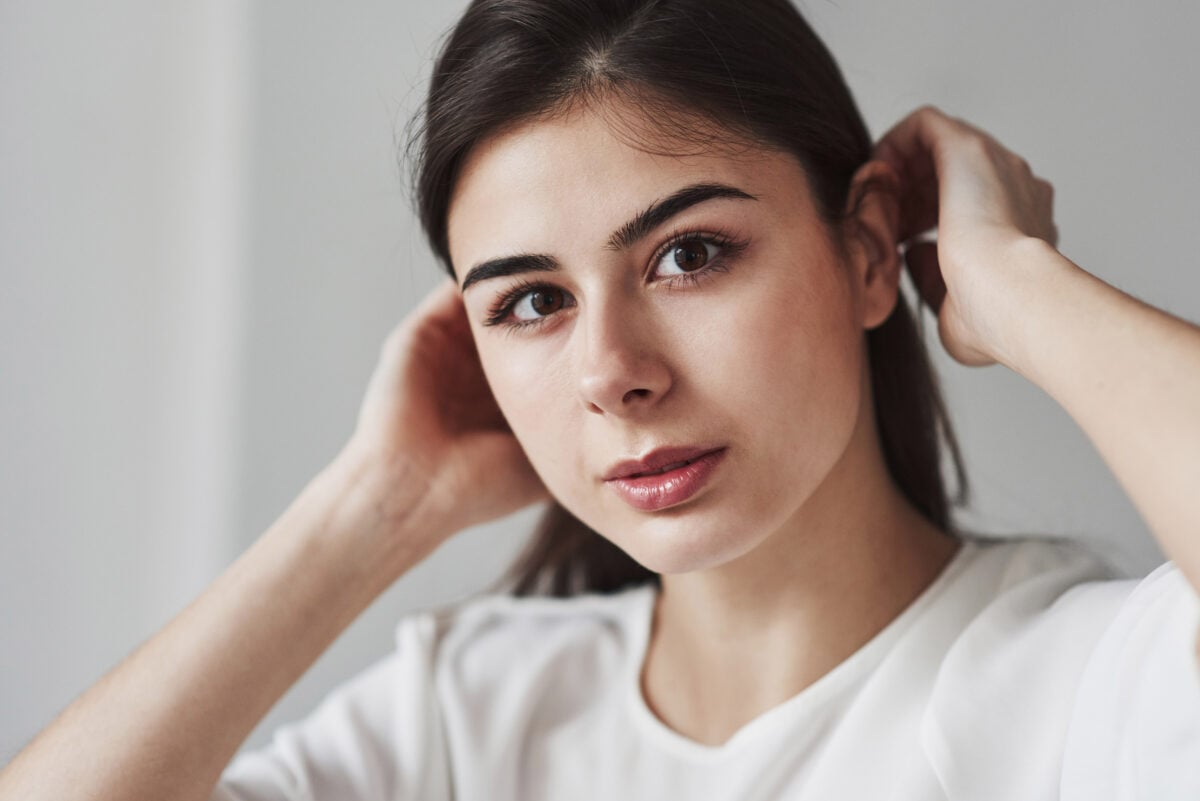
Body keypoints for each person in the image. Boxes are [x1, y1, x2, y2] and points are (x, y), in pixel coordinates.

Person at [3, 0, 1198, 798]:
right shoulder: (465, 721)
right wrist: (373, 507)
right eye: (530, 302)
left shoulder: (1082, 690)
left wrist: (1016, 287)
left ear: (871, 251)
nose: (611, 372)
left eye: (689, 255)